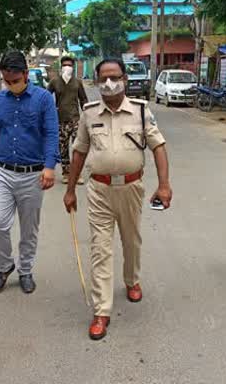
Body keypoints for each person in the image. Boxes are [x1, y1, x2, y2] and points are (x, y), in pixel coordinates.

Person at [63, 58, 172, 341]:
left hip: (131, 187)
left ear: (124, 78)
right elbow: (79, 152)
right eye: (104, 79)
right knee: (100, 248)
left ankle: (132, 280)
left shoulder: (141, 110)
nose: (109, 83)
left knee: (131, 240)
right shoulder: (89, 114)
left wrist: (164, 185)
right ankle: (102, 310)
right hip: (99, 190)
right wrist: (71, 189)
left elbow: (158, 146)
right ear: (97, 82)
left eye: (115, 77)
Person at [0, 51, 59, 296]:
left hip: (33, 174)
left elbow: (51, 134)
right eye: (7, 81)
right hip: (4, 171)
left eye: (15, 80)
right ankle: (5, 267)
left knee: (29, 228)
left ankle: (25, 270)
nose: (11, 85)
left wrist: (49, 166)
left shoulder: (44, 99)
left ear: (26, 75)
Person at [47, 56, 88, 184]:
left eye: (69, 65)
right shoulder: (55, 82)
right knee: (63, 149)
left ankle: (77, 174)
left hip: (75, 120)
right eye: (65, 65)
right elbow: (46, 98)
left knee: (77, 148)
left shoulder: (77, 82)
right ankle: (66, 173)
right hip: (60, 121)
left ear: (73, 67)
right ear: (61, 67)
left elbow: (83, 99)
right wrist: (49, 112)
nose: (67, 67)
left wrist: (87, 114)